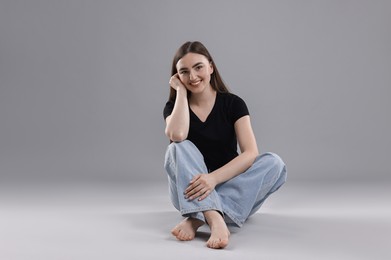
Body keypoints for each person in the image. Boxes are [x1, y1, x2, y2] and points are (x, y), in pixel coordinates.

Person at [163, 41, 287, 249]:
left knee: (275, 163)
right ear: (177, 77)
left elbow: (250, 153)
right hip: (190, 190)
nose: (192, 76)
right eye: (184, 72)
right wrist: (181, 94)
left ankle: (198, 217)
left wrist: (213, 179)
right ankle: (216, 217)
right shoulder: (174, 107)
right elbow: (177, 135)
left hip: (230, 186)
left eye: (198, 67)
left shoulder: (233, 103)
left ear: (211, 67)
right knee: (178, 147)